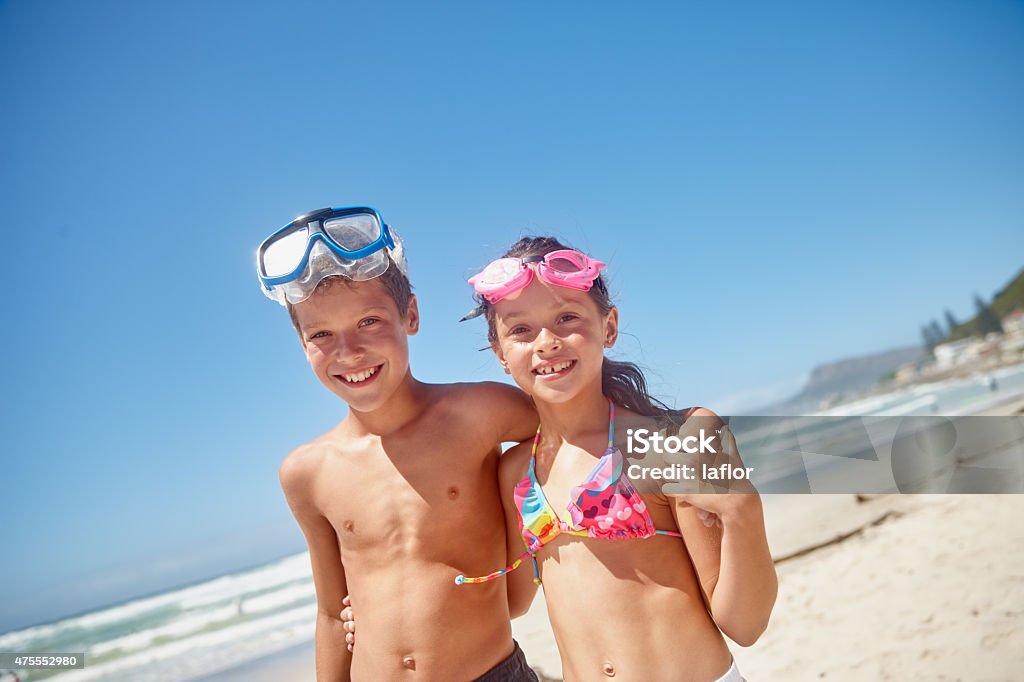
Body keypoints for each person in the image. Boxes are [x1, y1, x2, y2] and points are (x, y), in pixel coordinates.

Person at [350, 236, 777, 680]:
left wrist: (744, 510)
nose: (546, 342)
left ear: (609, 327)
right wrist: (380, 608)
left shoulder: (675, 437)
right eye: (520, 330)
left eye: (566, 317)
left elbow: (744, 625)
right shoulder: (516, 470)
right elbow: (512, 601)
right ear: (500, 353)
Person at [258, 207, 541, 681]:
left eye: (368, 322)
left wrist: (524, 552)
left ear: (411, 314)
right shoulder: (305, 473)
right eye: (321, 334)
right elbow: (331, 615)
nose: (348, 352)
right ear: (300, 342)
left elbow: (584, 434)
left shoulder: (482, 412)